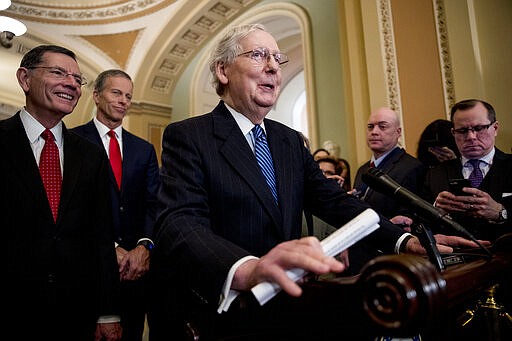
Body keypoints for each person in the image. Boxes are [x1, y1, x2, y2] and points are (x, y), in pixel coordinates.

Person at [148, 24, 480, 341]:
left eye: (277, 59)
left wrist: (404, 240)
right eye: (259, 55)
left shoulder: (289, 141)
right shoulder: (189, 136)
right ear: (223, 71)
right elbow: (179, 222)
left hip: (289, 306)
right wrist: (247, 269)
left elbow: (335, 201)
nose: (273, 68)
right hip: (223, 310)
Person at [1, 45, 122, 340]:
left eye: (77, 79)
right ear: (25, 79)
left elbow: (101, 237)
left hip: (75, 313)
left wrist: (108, 312)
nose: (71, 83)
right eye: (58, 73)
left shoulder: (91, 156)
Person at [72, 69, 161, 341]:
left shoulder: (143, 149)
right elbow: (73, 209)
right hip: (89, 272)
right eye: (116, 93)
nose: (124, 100)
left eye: (129, 96)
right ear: (96, 96)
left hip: (136, 273)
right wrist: (110, 248)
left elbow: (153, 203)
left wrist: (144, 246)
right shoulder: (72, 141)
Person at [349, 107, 428, 274]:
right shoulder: (363, 170)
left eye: (382, 126)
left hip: (391, 257)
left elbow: (411, 217)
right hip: (360, 257)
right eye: (370, 127)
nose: (374, 132)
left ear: (398, 131)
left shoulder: (411, 167)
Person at [423, 99, 511, 242]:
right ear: (453, 133)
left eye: (478, 128)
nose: (471, 137)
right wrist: (435, 211)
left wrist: (501, 213)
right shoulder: (435, 175)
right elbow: (420, 224)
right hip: (458, 258)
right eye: (462, 131)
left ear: (495, 128)